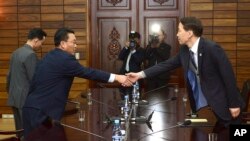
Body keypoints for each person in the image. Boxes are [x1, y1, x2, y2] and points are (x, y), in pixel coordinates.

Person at [127, 17, 245, 127]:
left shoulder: (211, 48)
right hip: (212, 105)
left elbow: (228, 77)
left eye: (179, 30)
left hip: (227, 104)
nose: (177, 34)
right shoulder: (185, 51)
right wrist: (139, 75)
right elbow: (166, 65)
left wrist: (233, 104)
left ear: (189, 33)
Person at [22, 27, 131, 138]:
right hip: (42, 113)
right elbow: (88, 72)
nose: (75, 45)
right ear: (63, 44)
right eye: (73, 42)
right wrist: (117, 77)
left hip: (31, 108)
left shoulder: (50, 56)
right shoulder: (65, 59)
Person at [6, 28, 47, 138]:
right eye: (41, 43)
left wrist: (10, 92)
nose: (41, 46)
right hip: (25, 100)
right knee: (28, 132)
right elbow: (34, 80)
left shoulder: (16, 52)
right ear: (35, 40)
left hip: (14, 97)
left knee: (19, 131)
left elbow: (9, 76)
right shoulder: (30, 55)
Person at [118, 31, 144, 99]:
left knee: (134, 97)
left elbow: (138, 61)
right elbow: (120, 57)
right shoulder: (127, 49)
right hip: (124, 76)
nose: (132, 42)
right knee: (123, 96)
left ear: (138, 40)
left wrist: (133, 51)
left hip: (134, 77)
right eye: (131, 40)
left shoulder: (141, 50)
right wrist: (126, 47)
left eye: (134, 40)